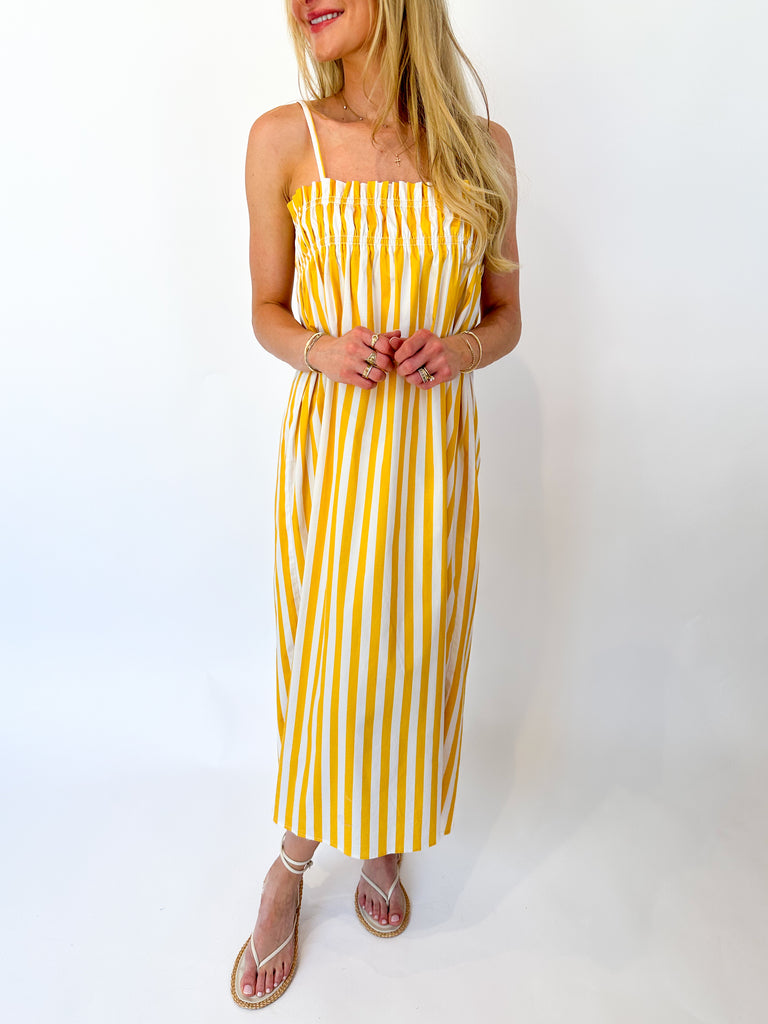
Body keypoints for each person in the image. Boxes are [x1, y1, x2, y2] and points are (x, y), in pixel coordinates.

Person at [231, 0, 521, 1008]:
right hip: (338, 458)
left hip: (433, 459)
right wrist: (321, 348)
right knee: (331, 663)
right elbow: (266, 309)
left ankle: (386, 835)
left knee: (415, 653)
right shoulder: (286, 139)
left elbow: (505, 315)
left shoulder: (485, 148)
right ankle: (291, 863)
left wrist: (460, 349)